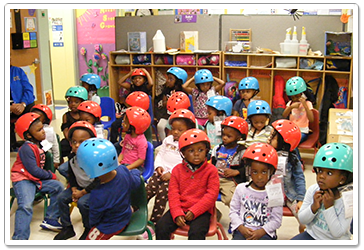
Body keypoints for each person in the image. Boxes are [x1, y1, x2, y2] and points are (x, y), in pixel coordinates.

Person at [155, 129, 219, 240]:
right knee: (161, 227)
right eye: (191, 151)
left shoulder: (211, 171)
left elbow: (211, 195)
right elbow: (173, 194)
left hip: (201, 210)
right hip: (180, 208)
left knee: (196, 233)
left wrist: (195, 211)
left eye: (200, 150)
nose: (196, 154)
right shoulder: (176, 170)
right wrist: (176, 212)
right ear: (183, 153)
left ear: (207, 151)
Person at [11, 112, 64, 240]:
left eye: (42, 128)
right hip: (24, 179)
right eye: (39, 130)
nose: (43, 132)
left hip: (35, 180)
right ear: (28, 135)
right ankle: (19, 238)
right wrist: (49, 174)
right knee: (26, 205)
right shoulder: (27, 148)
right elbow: (34, 170)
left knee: (58, 187)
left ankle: (50, 219)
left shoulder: (40, 143)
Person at [76, 138, 141, 240]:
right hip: (126, 214)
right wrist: (135, 172)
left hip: (111, 226)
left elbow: (94, 219)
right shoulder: (123, 170)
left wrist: (92, 225)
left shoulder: (97, 195)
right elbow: (136, 182)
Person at [146, 109, 196, 230]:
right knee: (147, 189)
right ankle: (135, 211)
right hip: (162, 171)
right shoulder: (168, 140)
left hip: (176, 178)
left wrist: (172, 174)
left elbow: (186, 166)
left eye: (180, 130)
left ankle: (154, 223)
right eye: (173, 129)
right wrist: (159, 167)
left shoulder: (190, 145)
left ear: (189, 130)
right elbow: (160, 154)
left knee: (162, 194)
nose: (175, 132)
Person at [291, 143, 353, 240]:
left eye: (329, 173)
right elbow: (302, 219)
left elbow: (338, 233)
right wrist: (313, 208)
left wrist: (329, 208)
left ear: (343, 179)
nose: (321, 176)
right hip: (312, 235)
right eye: (319, 171)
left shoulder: (348, 199)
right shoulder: (313, 190)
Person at [54, 121, 99, 240]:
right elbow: (72, 175)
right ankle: (67, 228)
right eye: (74, 142)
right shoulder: (72, 157)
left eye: (82, 142)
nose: (77, 145)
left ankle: (88, 228)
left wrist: (82, 193)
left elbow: (99, 181)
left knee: (82, 203)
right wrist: (74, 189)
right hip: (80, 187)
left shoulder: (96, 159)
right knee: (61, 198)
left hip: (95, 189)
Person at [229, 142, 283, 240]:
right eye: (254, 172)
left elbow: (276, 220)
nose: (259, 177)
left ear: (271, 172)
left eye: (264, 172)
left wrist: (261, 232)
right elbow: (233, 212)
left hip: (265, 233)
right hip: (242, 230)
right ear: (249, 171)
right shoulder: (241, 189)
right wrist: (241, 227)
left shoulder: (275, 193)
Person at [267, 119, 306, 233]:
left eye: (273, 137)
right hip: (271, 194)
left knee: (304, 218)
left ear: (284, 142)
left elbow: (300, 179)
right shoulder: (267, 154)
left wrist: (300, 199)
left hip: (290, 196)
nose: (269, 138)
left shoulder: (293, 159)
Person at [211, 116, 249, 208]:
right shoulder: (217, 149)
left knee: (231, 199)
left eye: (229, 136)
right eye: (223, 135)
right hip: (214, 179)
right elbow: (212, 163)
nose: (224, 138)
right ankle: (211, 216)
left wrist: (236, 172)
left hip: (229, 181)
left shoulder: (242, 151)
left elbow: (248, 168)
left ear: (239, 137)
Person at [282, 76, 314, 161]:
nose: (295, 99)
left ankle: (298, 162)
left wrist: (305, 106)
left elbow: (311, 119)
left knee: (293, 143)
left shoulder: (308, 103)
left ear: (302, 93)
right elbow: (284, 115)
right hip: (292, 131)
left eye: (297, 96)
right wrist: (290, 107)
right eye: (293, 97)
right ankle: (290, 160)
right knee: (284, 142)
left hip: (303, 131)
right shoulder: (290, 103)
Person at [155, 67, 188, 141]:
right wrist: (168, 101)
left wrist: (176, 99)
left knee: (173, 129)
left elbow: (184, 107)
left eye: (171, 79)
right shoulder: (166, 90)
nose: (168, 81)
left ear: (178, 81)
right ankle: (164, 142)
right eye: (168, 78)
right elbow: (163, 103)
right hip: (167, 114)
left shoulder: (183, 93)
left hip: (179, 115)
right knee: (160, 126)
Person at [59, 86, 88, 164]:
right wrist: (73, 142)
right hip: (70, 140)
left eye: (76, 102)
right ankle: (60, 163)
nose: (73, 104)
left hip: (83, 139)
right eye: (70, 102)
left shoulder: (84, 115)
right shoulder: (66, 116)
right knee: (60, 147)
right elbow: (65, 131)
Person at [10, 63, 35, 151]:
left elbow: (28, 89)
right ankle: (11, 144)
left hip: (22, 104)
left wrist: (22, 104)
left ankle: (32, 141)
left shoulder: (18, 71)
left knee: (32, 109)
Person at [118, 106, 151, 173]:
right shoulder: (127, 136)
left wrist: (127, 168)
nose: (122, 124)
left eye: (125, 122)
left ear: (133, 126)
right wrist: (117, 162)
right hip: (124, 165)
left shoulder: (141, 141)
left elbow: (141, 160)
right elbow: (123, 152)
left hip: (136, 167)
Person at [31, 104, 61, 169]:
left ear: (44, 120)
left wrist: (56, 160)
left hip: (46, 157)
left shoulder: (48, 131)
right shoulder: (30, 130)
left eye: (39, 117)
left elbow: (55, 146)